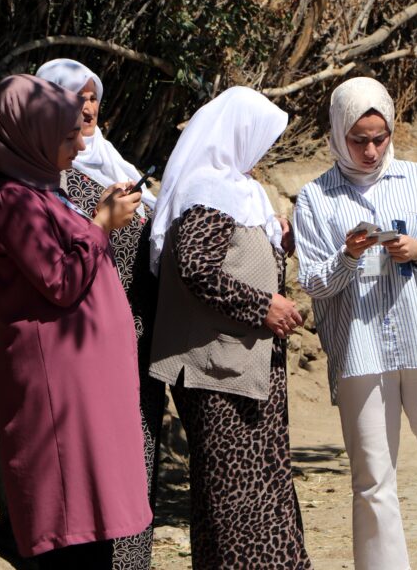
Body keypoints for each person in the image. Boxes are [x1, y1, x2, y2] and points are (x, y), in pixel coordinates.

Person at [293, 76, 417, 570]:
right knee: (372, 483)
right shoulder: (316, 197)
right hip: (361, 353)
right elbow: (314, 282)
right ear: (337, 133)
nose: (370, 151)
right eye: (357, 140)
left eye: (379, 138)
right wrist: (347, 256)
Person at [0, 74, 149, 568]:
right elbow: (58, 281)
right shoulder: (12, 201)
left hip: (83, 388)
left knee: (93, 523)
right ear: (30, 137)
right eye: (67, 136)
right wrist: (101, 224)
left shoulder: (41, 190)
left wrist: (98, 219)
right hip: (60, 392)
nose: (79, 145)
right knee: (71, 527)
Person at [148, 86, 312, 569]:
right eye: (261, 139)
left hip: (244, 366)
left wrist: (277, 242)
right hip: (218, 371)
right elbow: (197, 267)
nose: (263, 152)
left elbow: (234, 256)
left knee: (259, 493)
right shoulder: (208, 189)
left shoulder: (237, 190)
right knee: (236, 501)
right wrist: (262, 306)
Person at [36, 58, 164, 570]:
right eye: (76, 97)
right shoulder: (53, 181)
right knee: (100, 470)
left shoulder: (115, 164)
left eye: (92, 97)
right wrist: (104, 220)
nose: (87, 108)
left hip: (139, 335)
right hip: (92, 343)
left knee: (139, 457)